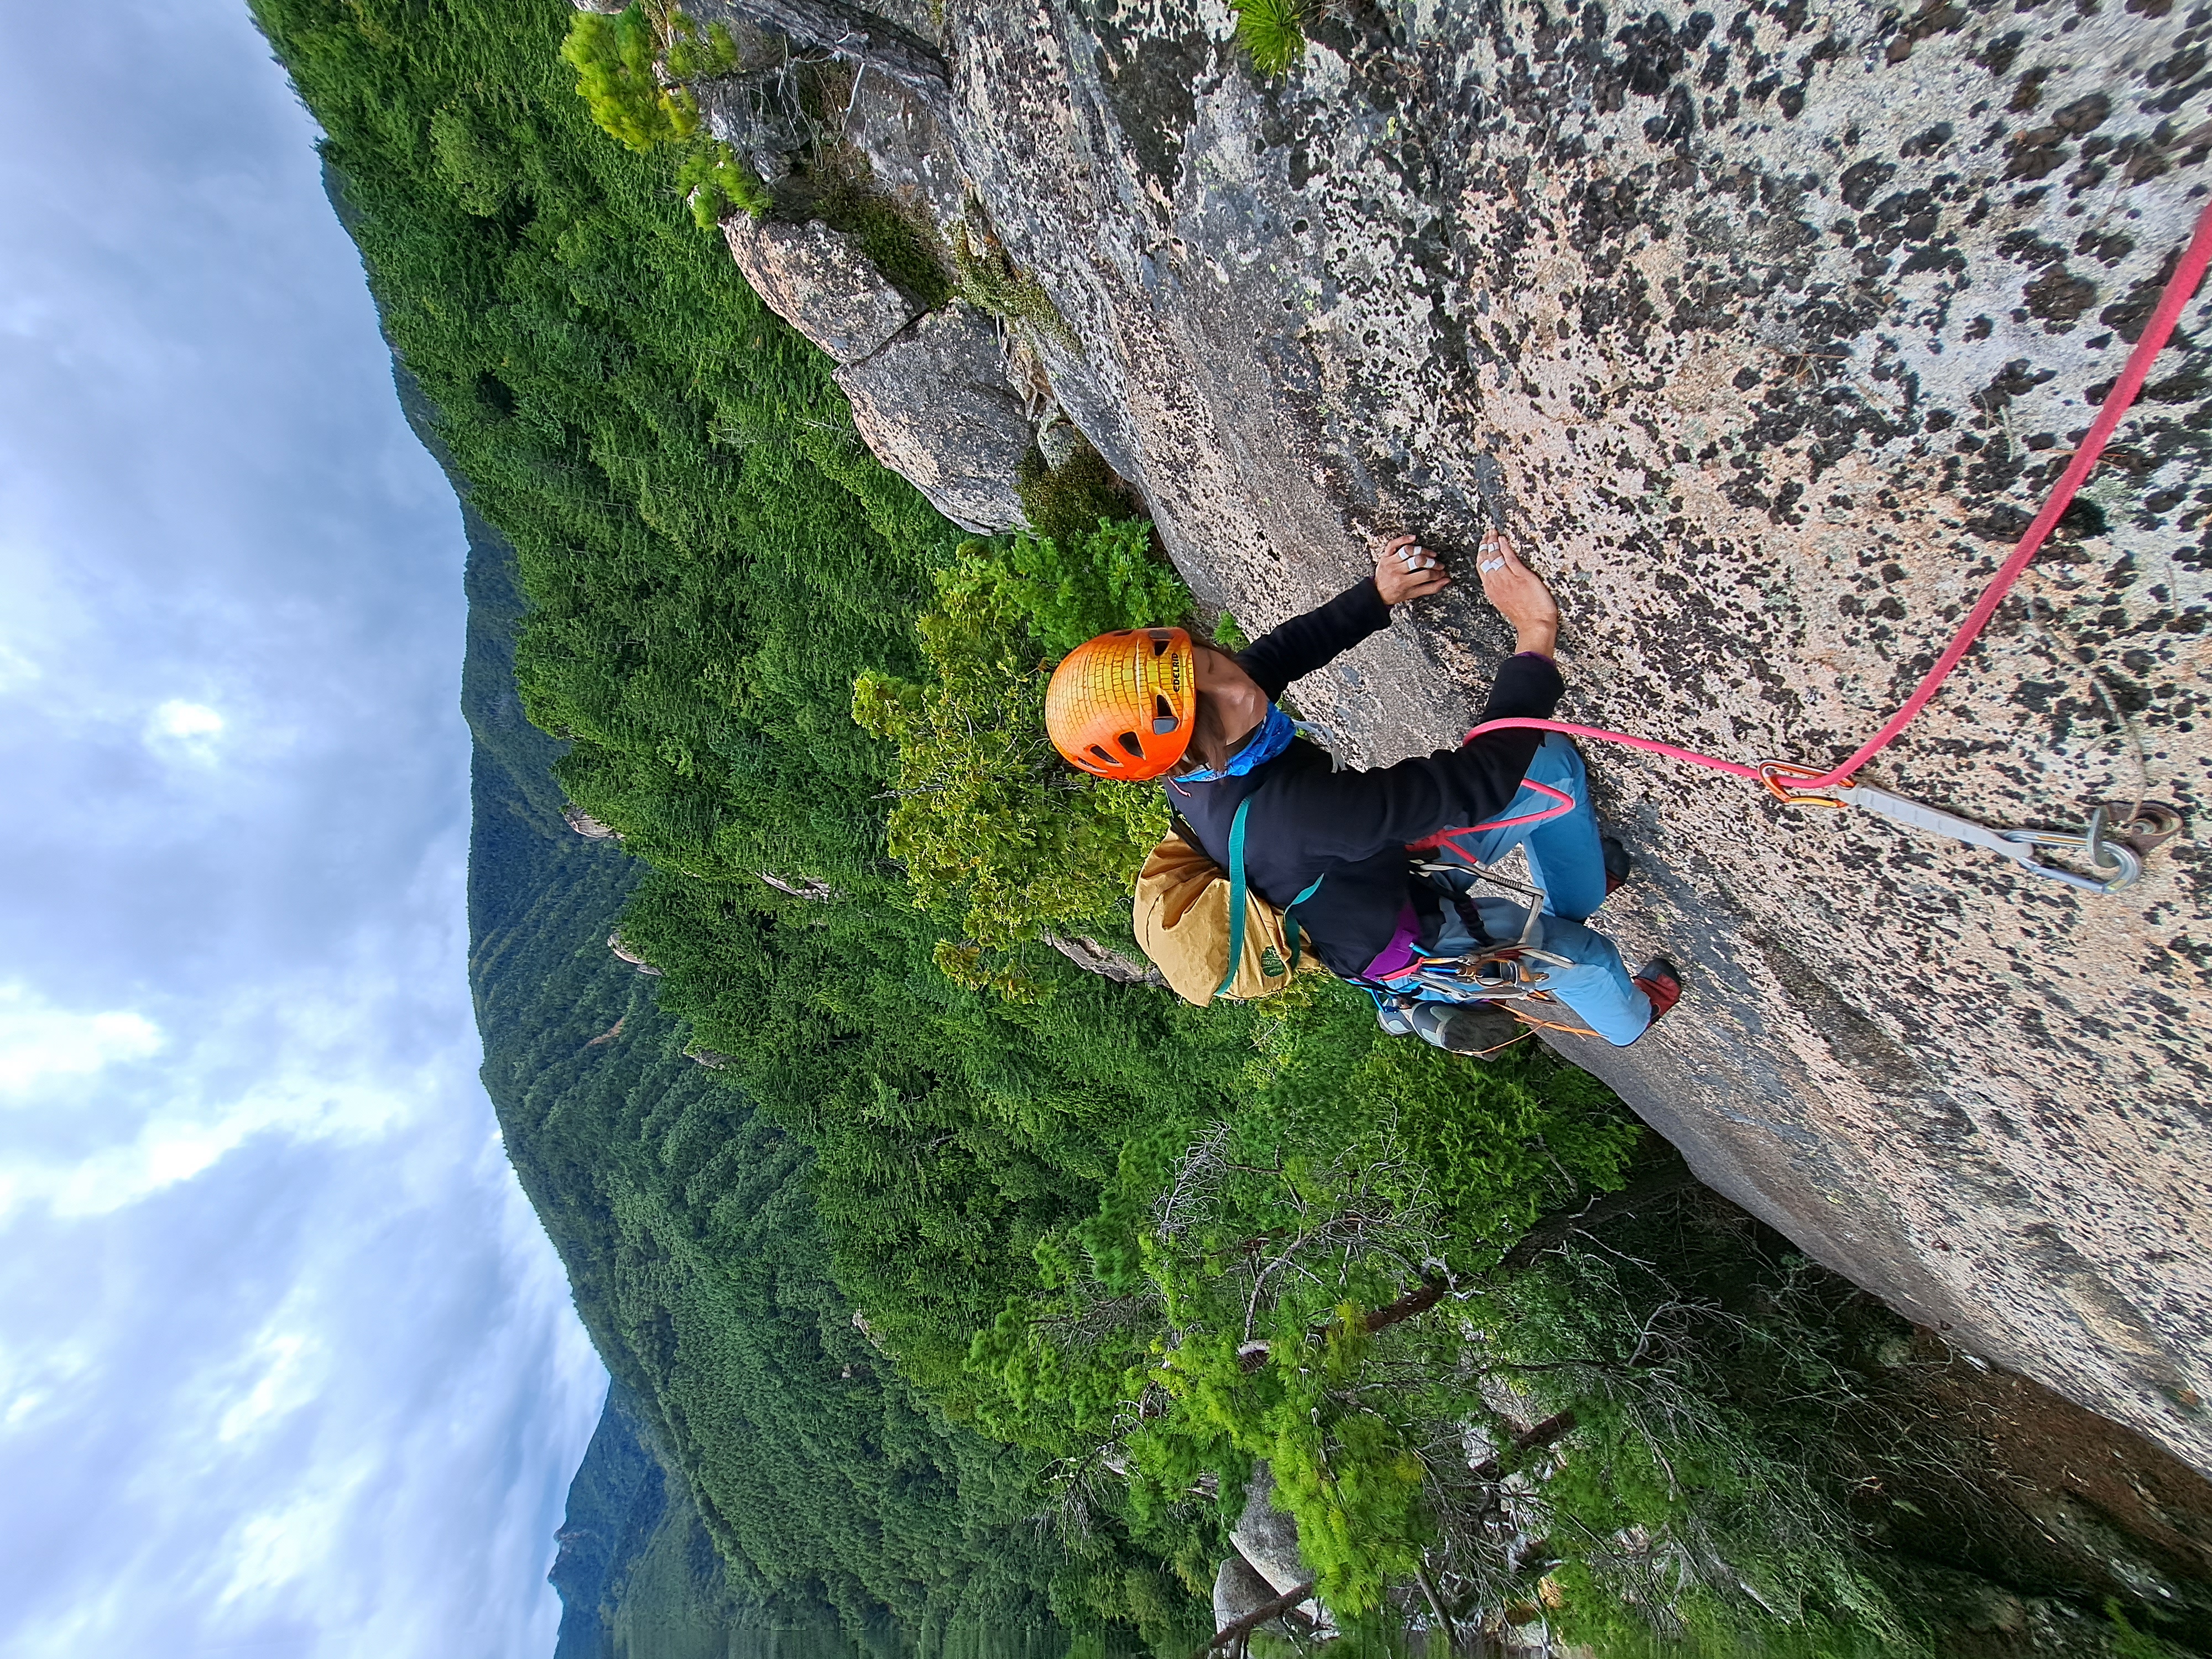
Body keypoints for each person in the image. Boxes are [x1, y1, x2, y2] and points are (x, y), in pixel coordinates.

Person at [1041, 526, 1682, 1054]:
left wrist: (1377, 595)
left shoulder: (1191, 762)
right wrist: (1534, 635)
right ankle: (1629, 1020)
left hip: (1377, 870)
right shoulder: (1295, 813)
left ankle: (1581, 889)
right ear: (1182, 750)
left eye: (1211, 666)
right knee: (1586, 958)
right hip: (1407, 933)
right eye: (1212, 711)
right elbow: (1477, 783)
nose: (1236, 691)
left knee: (1551, 766)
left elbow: (1269, 662)